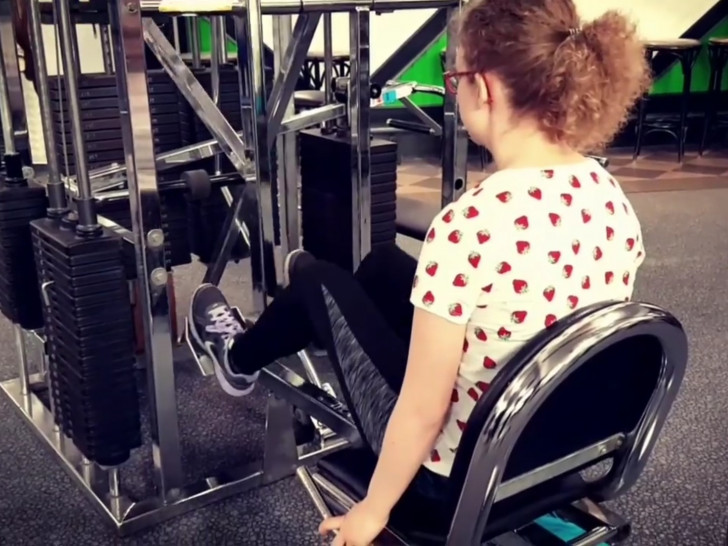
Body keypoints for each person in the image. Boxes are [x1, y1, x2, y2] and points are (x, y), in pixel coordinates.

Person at [188, 0, 651, 543]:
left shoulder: (471, 223)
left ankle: (239, 358)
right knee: (382, 265)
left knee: (319, 282)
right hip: (552, 437)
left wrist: (372, 511)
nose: (454, 90)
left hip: (458, 472)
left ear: (483, 88)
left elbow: (424, 409)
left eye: (453, 79)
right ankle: (320, 315)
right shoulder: (608, 193)